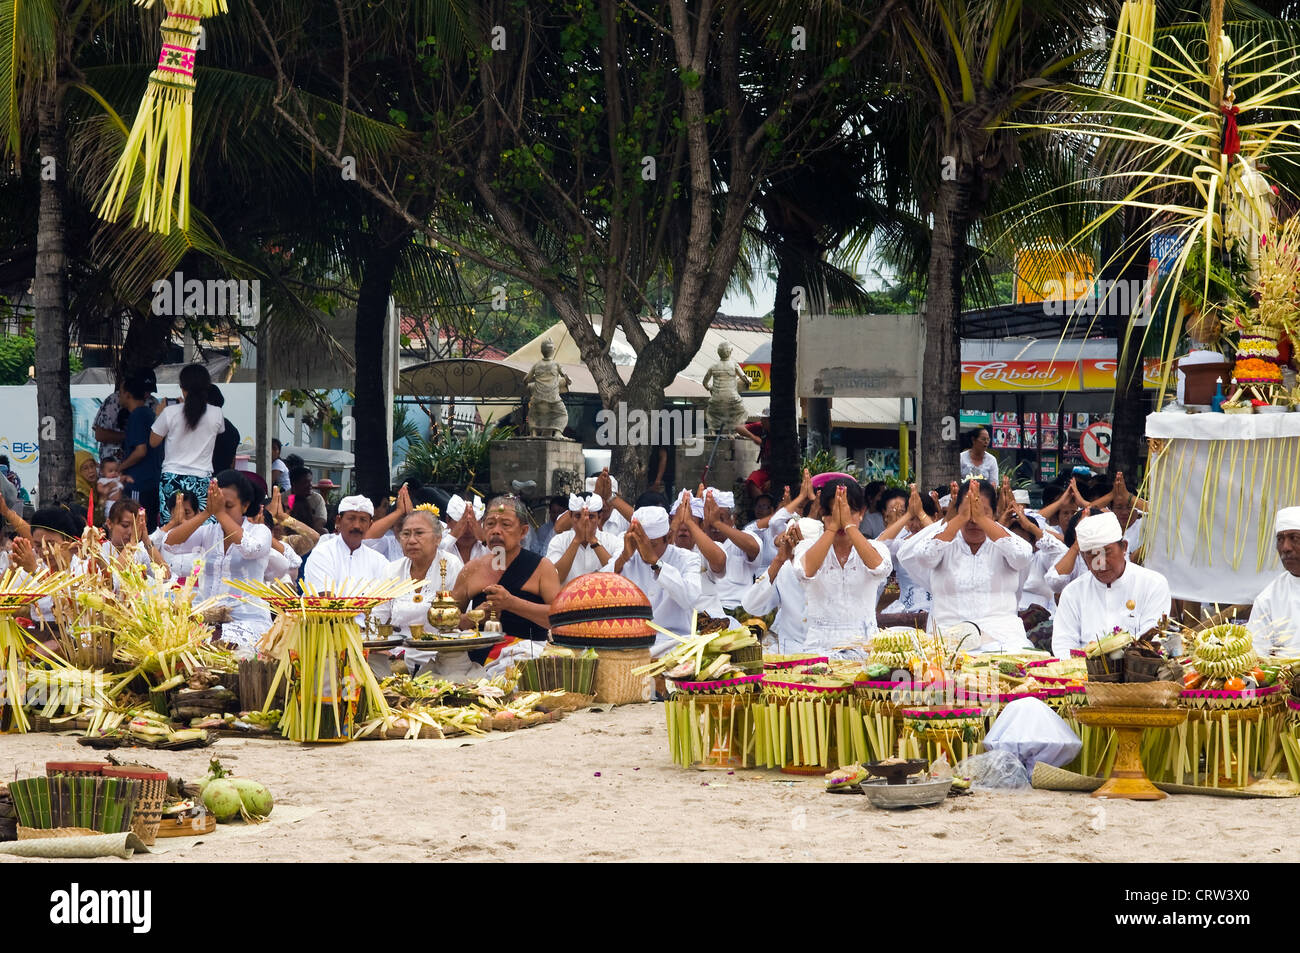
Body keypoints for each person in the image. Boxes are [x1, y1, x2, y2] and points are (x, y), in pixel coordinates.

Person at [897, 477, 1032, 652]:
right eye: (969, 512)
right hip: (947, 639)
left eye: (983, 512)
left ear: (995, 514)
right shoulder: (945, 540)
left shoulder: (1004, 541)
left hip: (1003, 639)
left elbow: (1022, 556)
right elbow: (922, 556)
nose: (974, 521)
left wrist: (982, 519)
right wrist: (957, 519)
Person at [164, 471, 274, 654]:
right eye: (218, 505)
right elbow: (169, 543)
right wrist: (207, 513)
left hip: (248, 620)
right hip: (207, 620)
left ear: (245, 506)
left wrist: (219, 512)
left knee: (229, 650)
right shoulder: (208, 532)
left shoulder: (260, 531)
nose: (221, 511)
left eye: (228, 506)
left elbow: (250, 549)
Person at [452, 495, 561, 671]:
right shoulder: (470, 569)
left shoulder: (542, 567)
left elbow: (558, 619)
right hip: (475, 654)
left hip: (525, 653)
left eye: (505, 525)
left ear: (523, 531)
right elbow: (449, 622)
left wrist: (512, 603)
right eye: (490, 524)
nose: (496, 531)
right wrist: (474, 617)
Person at [1051, 511, 1171, 658]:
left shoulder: (1153, 584)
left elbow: (1152, 638)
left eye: (1107, 552)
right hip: (1084, 675)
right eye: (1092, 554)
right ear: (1082, 557)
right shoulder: (1072, 592)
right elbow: (1063, 644)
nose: (1100, 562)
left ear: (1124, 547)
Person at [793, 479, 892, 653]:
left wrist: (848, 525)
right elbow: (805, 572)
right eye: (833, 512)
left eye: (850, 512)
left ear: (862, 513)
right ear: (823, 513)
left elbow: (880, 568)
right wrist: (832, 528)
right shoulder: (806, 548)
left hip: (866, 646)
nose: (839, 518)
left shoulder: (876, 548)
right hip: (819, 648)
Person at [382, 508, 477, 679]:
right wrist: (384, 651)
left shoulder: (451, 565)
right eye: (405, 534)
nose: (411, 540)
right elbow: (377, 618)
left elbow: (462, 618)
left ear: (438, 538)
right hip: (397, 658)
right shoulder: (392, 570)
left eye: (419, 533)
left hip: (442, 658)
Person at [602, 505, 702, 657]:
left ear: (669, 538)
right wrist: (623, 558)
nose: (643, 550)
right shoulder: (627, 555)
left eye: (651, 545)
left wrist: (656, 563)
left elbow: (689, 597)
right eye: (639, 543)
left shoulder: (687, 559)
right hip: (631, 641)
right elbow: (600, 586)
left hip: (673, 642)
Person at [150, 363, 225, 523]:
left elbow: (153, 441)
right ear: (207, 387)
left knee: (171, 528)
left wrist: (159, 414)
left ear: (182, 387)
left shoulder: (170, 412)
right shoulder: (217, 413)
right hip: (202, 478)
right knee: (204, 529)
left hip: (172, 477)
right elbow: (219, 432)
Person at [741, 518, 821, 653]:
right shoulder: (783, 568)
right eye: (796, 547)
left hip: (826, 651)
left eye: (806, 549)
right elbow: (752, 606)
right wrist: (778, 560)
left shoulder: (832, 568)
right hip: (787, 651)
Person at [876, 485, 937, 629]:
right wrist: (908, 515)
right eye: (911, 520)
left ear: (934, 517)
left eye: (920, 519)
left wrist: (921, 512)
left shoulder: (940, 542)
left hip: (936, 610)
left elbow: (939, 535)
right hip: (905, 611)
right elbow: (877, 547)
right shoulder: (901, 545)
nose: (915, 525)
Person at [303, 495, 391, 592]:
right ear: (339, 521)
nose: (357, 526)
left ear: (370, 525)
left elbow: (385, 599)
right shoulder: (322, 553)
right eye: (351, 518)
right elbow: (324, 600)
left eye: (363, 520)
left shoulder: (379, 561)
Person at [1248, 507, 1300, 657]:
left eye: (1294, 538)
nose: (1285, 548)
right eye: (1280, 539)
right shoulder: (1268, 599)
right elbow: (1257, 655)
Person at [116, 371, 163, 531]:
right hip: (151, 481)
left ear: (128, 394)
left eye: (121, 392)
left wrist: (120, 467)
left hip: (140, 484)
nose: (119, 396)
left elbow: (140, 450)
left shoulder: (138, 415)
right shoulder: (148, 414)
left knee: (136, 526)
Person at [547, 493, 623, 586]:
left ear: (599, 518)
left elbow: (618, 577)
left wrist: (593, 540)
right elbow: (555, 578)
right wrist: (577, 540)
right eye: (578, 516)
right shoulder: (559, 541)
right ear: (571, 517)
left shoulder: (613, 541)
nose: (584, 522)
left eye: (591, 517)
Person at [736, 408, 773, 502]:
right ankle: (763, 506)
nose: (761, 421)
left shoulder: (784, 435)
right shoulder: (761, 428)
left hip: (781, 471)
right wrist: (753, 437)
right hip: (765, 470)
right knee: (752, 481)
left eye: (764, 419)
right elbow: (738, 427)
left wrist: (773, 480)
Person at [208, 385, 240, 473]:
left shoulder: (206, 427)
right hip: (223, 478)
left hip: (206, 479)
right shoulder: (232, 429)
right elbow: (232, 462)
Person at [288, 465, 327, 533]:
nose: (310, 485)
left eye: (311, 481)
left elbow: (322, 519)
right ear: (294, 484)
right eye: (305, 482)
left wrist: (308, 532)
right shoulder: (285, 497)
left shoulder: (317, 498)